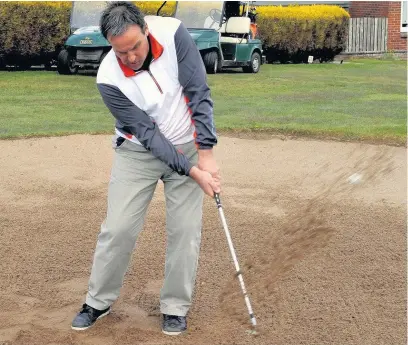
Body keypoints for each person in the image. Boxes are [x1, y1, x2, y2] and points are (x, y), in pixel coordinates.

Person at [71, 1, 221, 336]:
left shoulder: (174, 33)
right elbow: (148, 133)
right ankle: (98, 300)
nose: (130, 58)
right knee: (119, 227)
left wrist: (206, 155)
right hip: (138, 151)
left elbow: (198, 92)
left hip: (186, 143)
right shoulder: (108, 78)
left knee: (185, 231)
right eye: (120, 51)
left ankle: (175, 307)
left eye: (135, 47)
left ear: (146, 30)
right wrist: (194, 171)